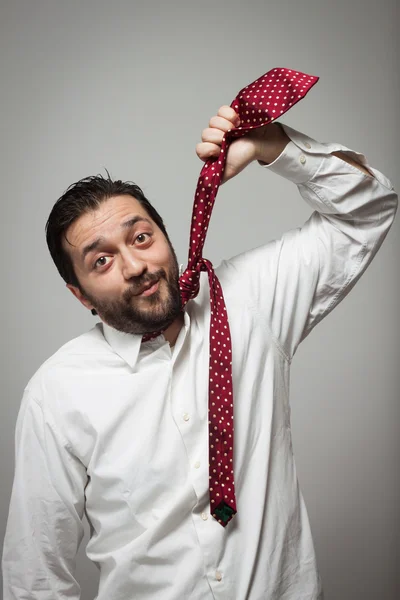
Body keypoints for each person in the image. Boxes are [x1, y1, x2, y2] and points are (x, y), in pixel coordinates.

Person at [2, 104, 397, 600]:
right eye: (102, 260)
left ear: (167, 237)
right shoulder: (56, 392)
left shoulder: (250, 300)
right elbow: (35, 574)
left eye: (141, 237)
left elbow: (369, 210)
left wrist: (272, 146)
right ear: (79, 294)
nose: (135, 265)